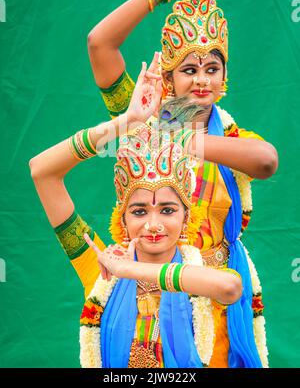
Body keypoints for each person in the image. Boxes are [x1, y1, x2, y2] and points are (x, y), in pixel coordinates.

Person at [87, 0, 278, 368]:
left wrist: (176, 138)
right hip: (151, 284)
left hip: (218, 289)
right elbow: (99, 43)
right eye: (189, 69)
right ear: (168, 78)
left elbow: (267, 161)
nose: (202, 79)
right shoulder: (141, 119)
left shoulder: (229, 137)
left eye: (213, 67)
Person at [29, 63, 242, 368]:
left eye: (167, 210)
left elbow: (230, 288)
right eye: (139, 210)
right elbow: (42, 172)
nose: (153, 224)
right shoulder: (102, 269)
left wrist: (133, 271)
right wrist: (126, 122)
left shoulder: (200, 273)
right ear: (123, 218)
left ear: (186, 217)